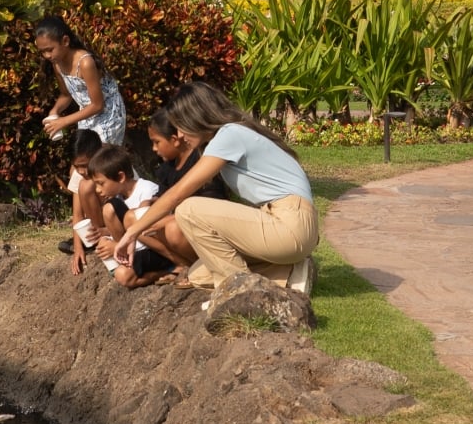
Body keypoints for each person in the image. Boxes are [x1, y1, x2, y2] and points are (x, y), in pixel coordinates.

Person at [113, 82, 318, 294]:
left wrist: (132, 232)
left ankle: (238, 291)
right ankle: (290, 271)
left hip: (290, 224)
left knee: (188, 210)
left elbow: (177, 193)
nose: (180, 135)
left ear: (196, 117)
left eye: (181, 126)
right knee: (198, 275)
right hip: (287, 225)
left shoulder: (230, 134)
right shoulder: (234, 132)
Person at [137, 107, 229, 284]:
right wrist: (148, 203)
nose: (154, 149)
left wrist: (166, 219)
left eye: (156, 142)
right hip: (181, 222)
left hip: (205, 225)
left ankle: (207, 266)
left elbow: (211, 203)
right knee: (133, 219)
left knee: (171, 229)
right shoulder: (167, 168)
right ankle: (184, 264)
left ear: (175, 140)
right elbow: (164, 196)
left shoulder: (201, 160)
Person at [35, 15, 126, 147]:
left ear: (65, 41)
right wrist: (55, 111)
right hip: (87, 115)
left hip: (108, 115)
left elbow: (97, 105)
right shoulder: (57, 63)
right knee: (83, 155)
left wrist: (63, 121)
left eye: (50, 50)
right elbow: (66, 95)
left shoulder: (85, 63)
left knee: (99, 156)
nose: (47, 56)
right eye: (42, 52)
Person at [86, 145, 167, 289]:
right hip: (136, 249)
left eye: (101, 183)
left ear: (121, 177)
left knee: (109, 209)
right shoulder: (119, 197)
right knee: (123, 276)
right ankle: (130, 260)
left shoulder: (148, 190)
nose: (97, 190)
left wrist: (115, 246)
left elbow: (150, 232)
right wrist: (105, 236)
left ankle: (170, 269)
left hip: (156, 249)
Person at [60, 129, 109, 275]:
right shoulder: (79, 174)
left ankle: (105, 235)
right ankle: (97, 239)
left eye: (84, 165)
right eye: (76, 166)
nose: (81, 171)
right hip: (102, 224)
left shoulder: (111, 163)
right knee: (85, 186)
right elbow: (78, 214)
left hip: (121, 219)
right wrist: (78, 248)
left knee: (87, 186)